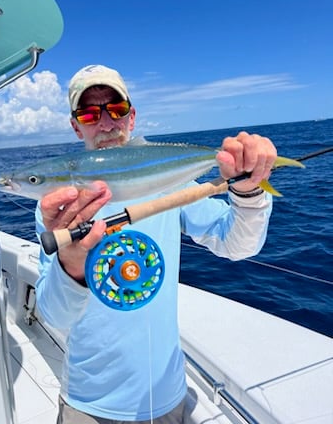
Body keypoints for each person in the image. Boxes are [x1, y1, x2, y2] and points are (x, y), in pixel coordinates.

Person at [35, 64, 277, 424]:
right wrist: (70, 265)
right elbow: (53, 316)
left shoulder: (171, 184)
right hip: (86, 402)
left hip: (167, 398)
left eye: (116, 111)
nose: (106, 124)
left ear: (131, 118)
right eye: (89, 113)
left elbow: (236, 244)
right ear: (76, 125)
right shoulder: (57, 210)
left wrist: (248, 191)